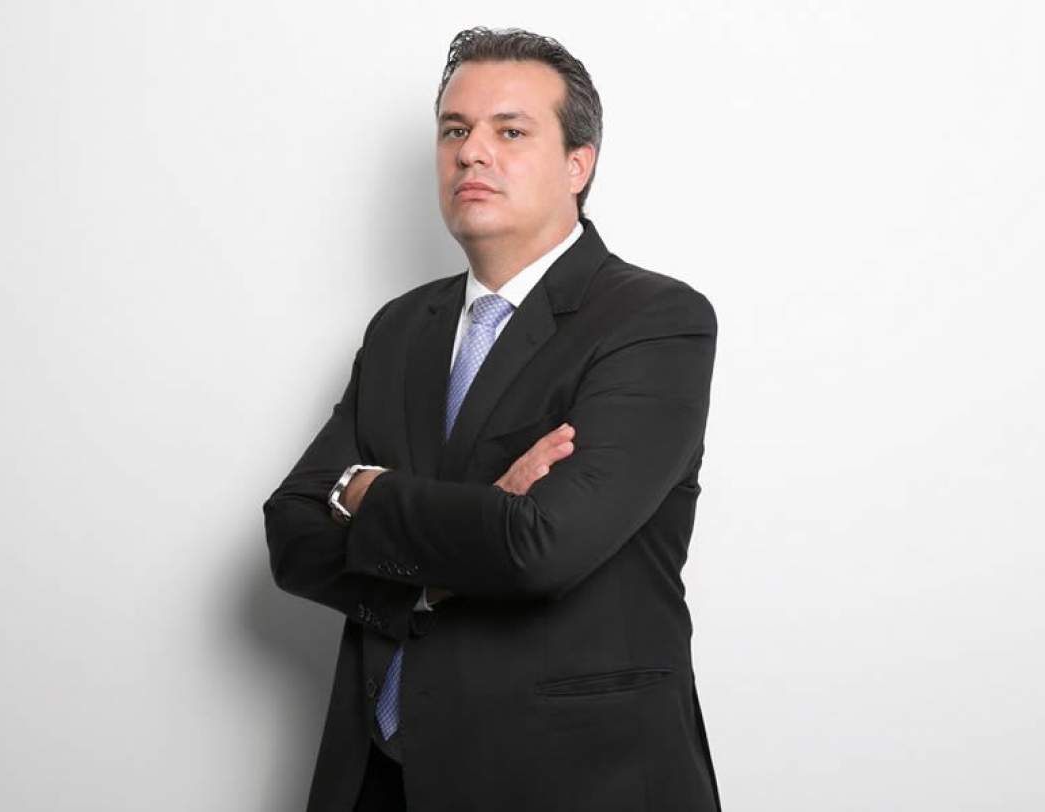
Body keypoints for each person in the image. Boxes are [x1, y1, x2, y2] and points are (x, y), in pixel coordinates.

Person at [263, 26, 721, 812]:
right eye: (454, 130)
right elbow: (293, 533)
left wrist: (366, 492)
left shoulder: (654, 321)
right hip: (378, 777)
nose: (472, 152)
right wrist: (443, 566)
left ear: (578, 164)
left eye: (510, 132)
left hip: (573, 781)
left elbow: (541, 546)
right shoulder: (399, 328)